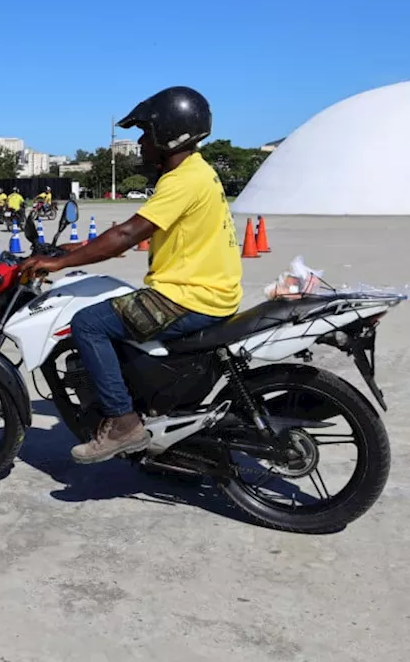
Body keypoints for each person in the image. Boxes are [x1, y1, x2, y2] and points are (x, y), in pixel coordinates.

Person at [19, 86, 242, 464]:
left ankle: (123, 423)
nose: (140, 142)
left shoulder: (182, 180)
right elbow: (129, 233)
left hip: (189, 296)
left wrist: (58, 264)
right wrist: (69, 251)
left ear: (169, 134)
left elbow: (125, 235)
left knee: (89, 323)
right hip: (207, 290)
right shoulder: (197, 173)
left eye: (145, 133)